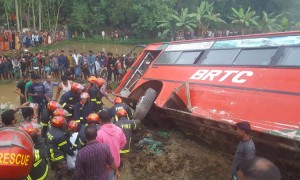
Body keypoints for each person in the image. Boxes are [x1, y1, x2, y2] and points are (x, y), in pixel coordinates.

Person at [96, 109, 126, 180]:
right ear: (110, 118)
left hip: (104, 164)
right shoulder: (119, 130)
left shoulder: (99, 134)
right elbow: (123, 142)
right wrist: (116, 148)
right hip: (115, 161)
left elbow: (98, 151)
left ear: (100, 120)